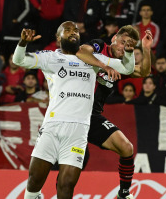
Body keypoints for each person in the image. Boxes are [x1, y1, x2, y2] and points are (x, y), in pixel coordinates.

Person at [12, 22, 135, 198]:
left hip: (79, 130)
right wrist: (23, 43)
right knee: (34, 181)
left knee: (67, 185)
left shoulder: (95, 60)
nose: (73, 32)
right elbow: (19, 60)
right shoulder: (50, 57)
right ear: (57, 37)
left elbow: (127, 68)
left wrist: (129, 53)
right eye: (67, 30)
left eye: (76, 30)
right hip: (52, 127)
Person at [75, 27, 153, 198]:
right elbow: (81, 52)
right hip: (73, 113)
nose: (124, 47)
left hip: (92, 117)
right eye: (123, 42)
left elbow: (144, 71)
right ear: (114, 38)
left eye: (129, 46)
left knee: (126, 148)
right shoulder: (99, 46)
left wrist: (146, 49)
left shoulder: (122, 66)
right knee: (72, 169)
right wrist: (104, 67)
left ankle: (123, 194)